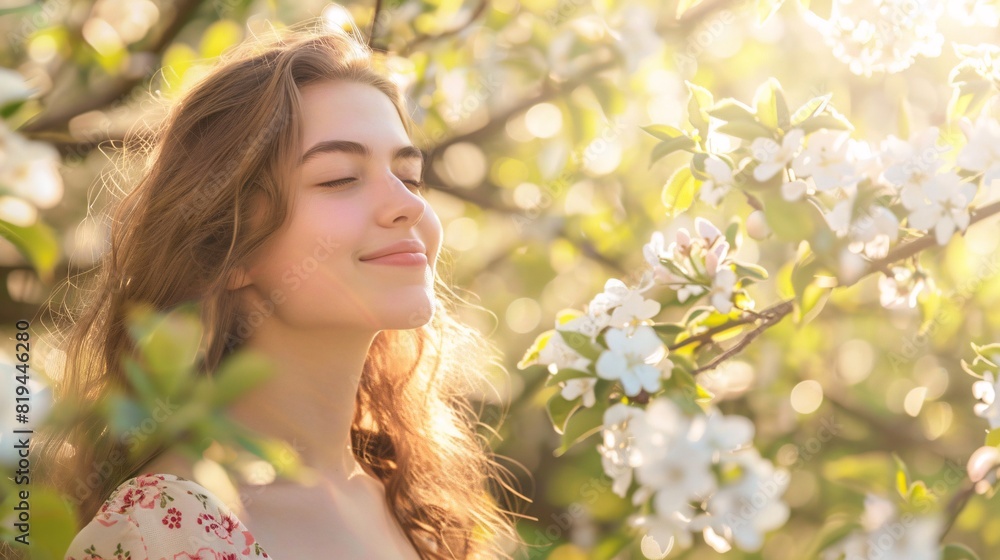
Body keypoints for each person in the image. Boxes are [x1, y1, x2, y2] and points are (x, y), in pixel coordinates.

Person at [30, 18, 525, 560]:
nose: (408, 204)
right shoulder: (160, 532)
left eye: (409, 177)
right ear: (229, 250)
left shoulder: (418, 508)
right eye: (339, 178)